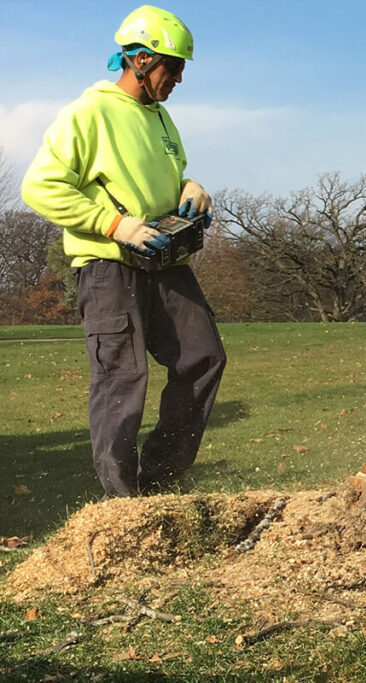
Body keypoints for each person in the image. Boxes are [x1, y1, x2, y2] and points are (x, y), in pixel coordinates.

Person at [21, 5, 226, 498]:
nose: (178, 77)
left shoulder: (161, 118)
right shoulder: (88, 113)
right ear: (137, 59)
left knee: (203, 358)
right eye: (170, 66)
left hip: (166, 262)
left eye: (180, 68)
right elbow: (39, 187)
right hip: (110, 266)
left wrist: (190, 186)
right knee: (122, 378)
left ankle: (157, 487)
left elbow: (164, 177)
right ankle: (122, 504)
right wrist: (114, 224)